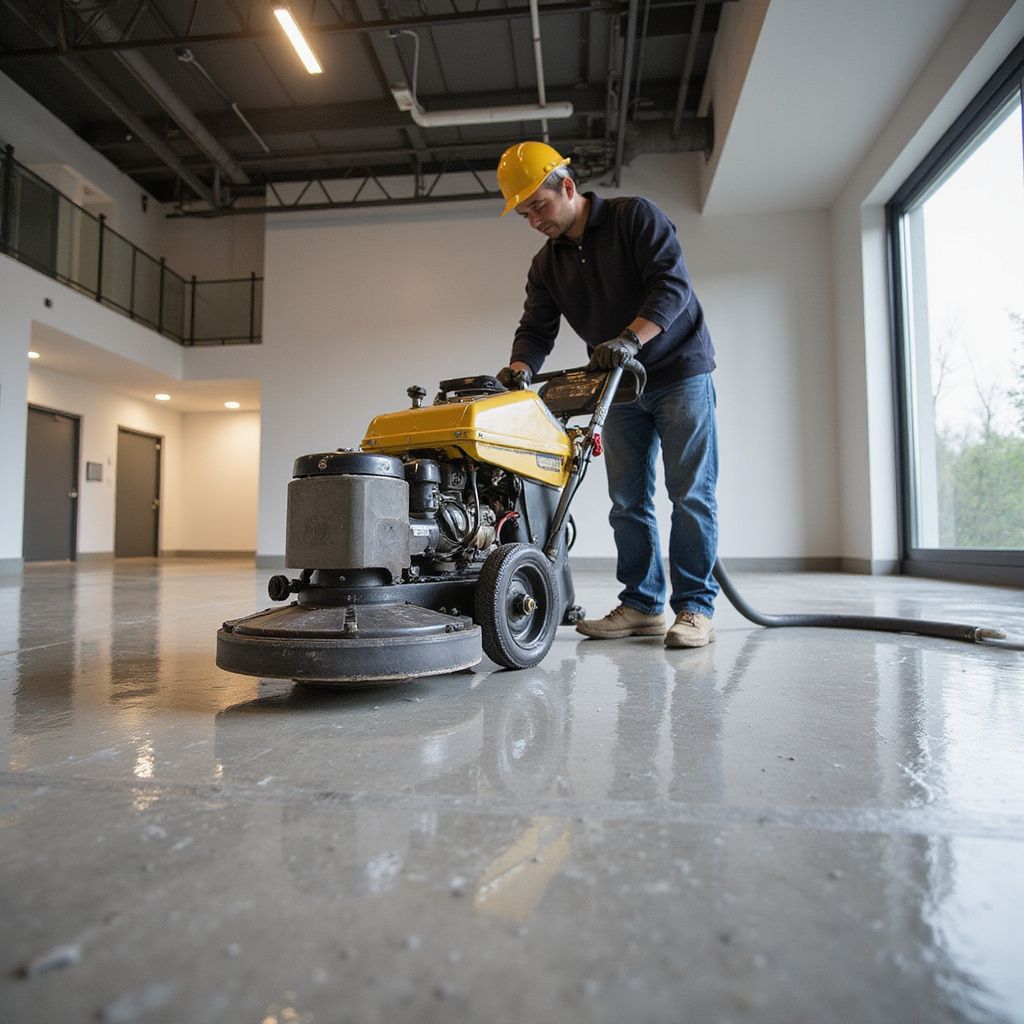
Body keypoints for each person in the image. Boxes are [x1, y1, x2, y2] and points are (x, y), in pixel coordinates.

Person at [494, 140, 719, 649]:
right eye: (524, 213)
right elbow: (536, 327)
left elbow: (672, 286)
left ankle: (696, 610)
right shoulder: (546, 264)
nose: (534, 221)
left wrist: (631, 338)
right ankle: (642, 605)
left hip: (679, 371)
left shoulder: (634, 218)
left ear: (567, 187)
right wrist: (519, 369)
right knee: (627, 500)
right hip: (619, 386)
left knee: (690, 495)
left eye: (539, 207)